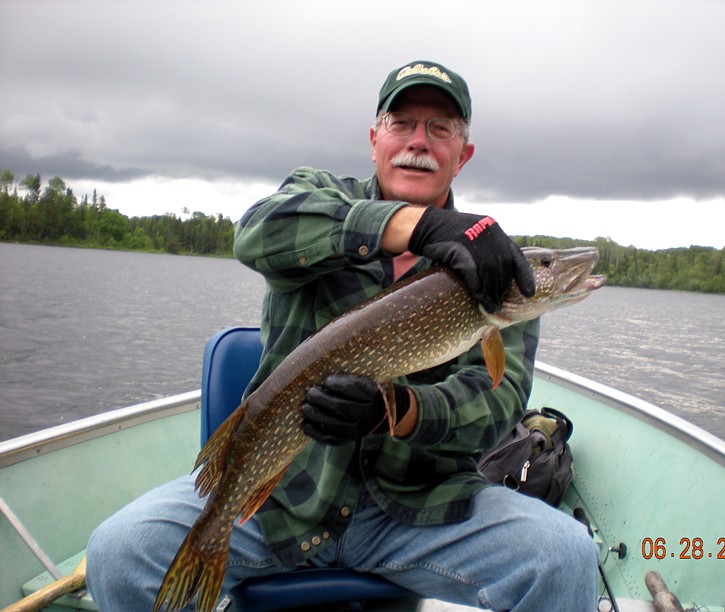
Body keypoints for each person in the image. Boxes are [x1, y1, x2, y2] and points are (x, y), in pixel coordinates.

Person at [86, 60, 598, 611]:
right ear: (375, 137)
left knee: (564, 555)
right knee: (120, 551)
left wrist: (399, 410)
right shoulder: (318, 195)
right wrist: (415, 226)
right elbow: (258, 232)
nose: (418, 142)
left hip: (418, 511)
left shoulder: (495, 264)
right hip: (285, 501)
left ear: (462, 154)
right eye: (402, 123)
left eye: (440, 128)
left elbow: (494, 406)